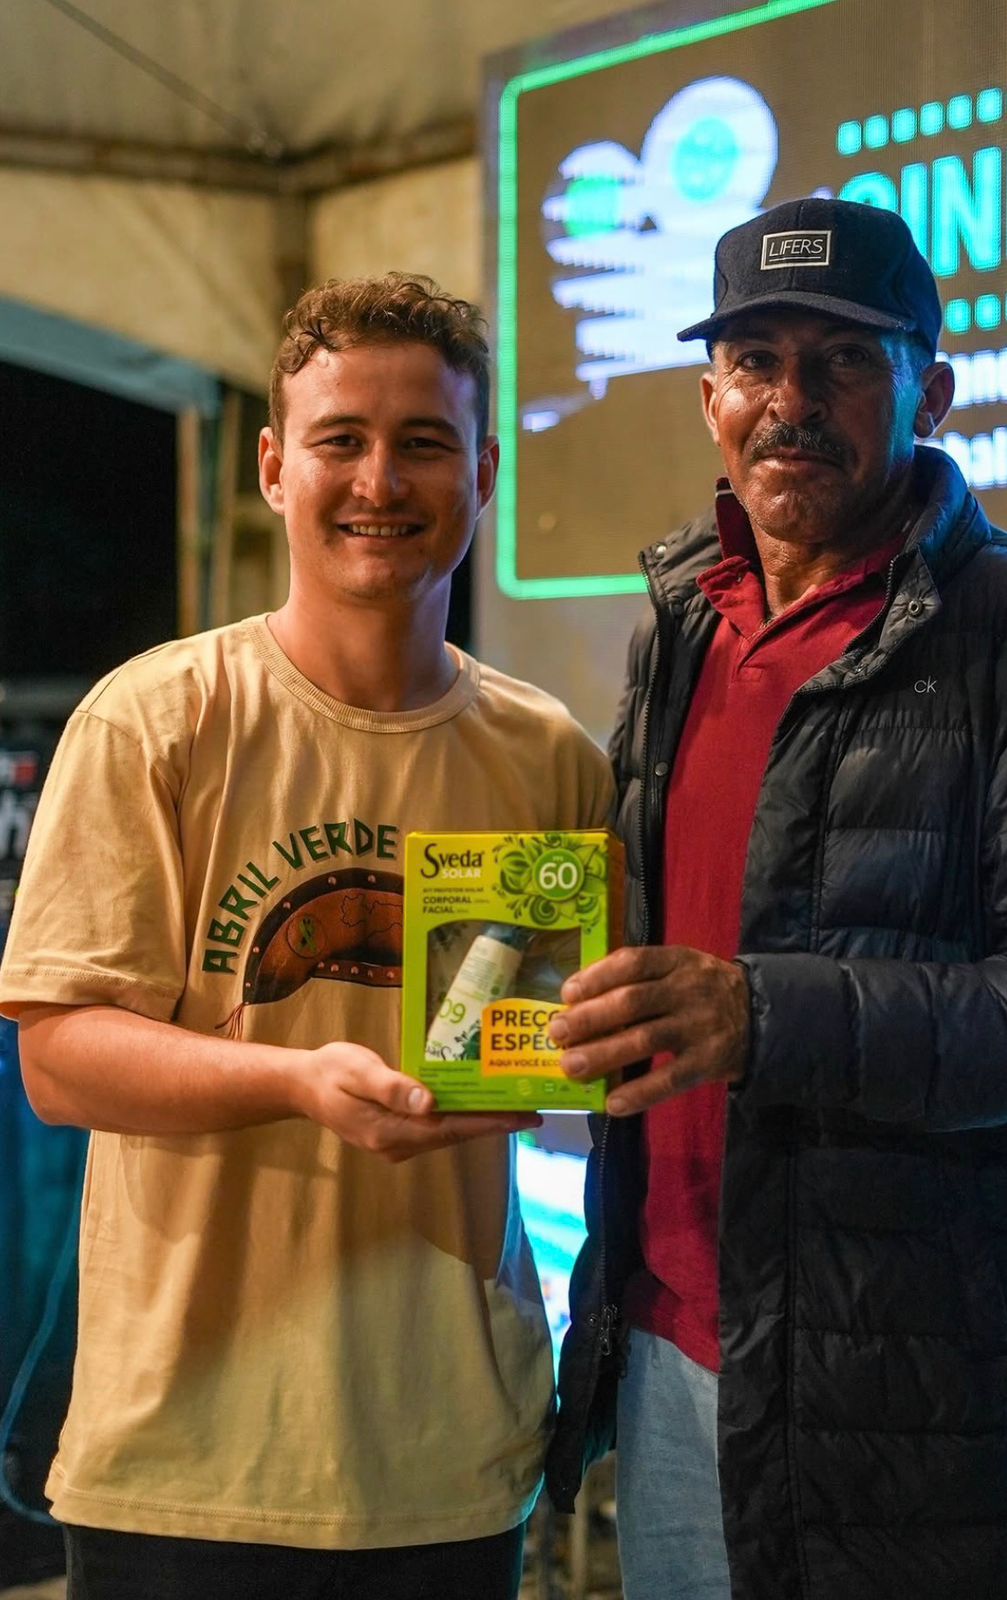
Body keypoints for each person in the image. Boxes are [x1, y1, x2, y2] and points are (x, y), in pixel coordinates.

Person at [544, 196, 1007, 1600]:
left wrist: (761, 1016)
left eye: (845, 361)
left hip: (936, 1411)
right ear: (708, 402)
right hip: (679, 1355)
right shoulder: (682, 626)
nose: (791, 402)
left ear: (929, 395)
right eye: (755, 362)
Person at [0, 273, 613, 1600]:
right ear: (276, 468)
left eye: (424, 442)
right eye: (343, 439)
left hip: (450, 1456)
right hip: (185, 1460)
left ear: (484, 473)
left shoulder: (551, 756)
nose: (380, 481)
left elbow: (547, 1058)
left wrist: (602, 1053)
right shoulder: (155, 720)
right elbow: (57, 1059)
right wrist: (295, 1080)